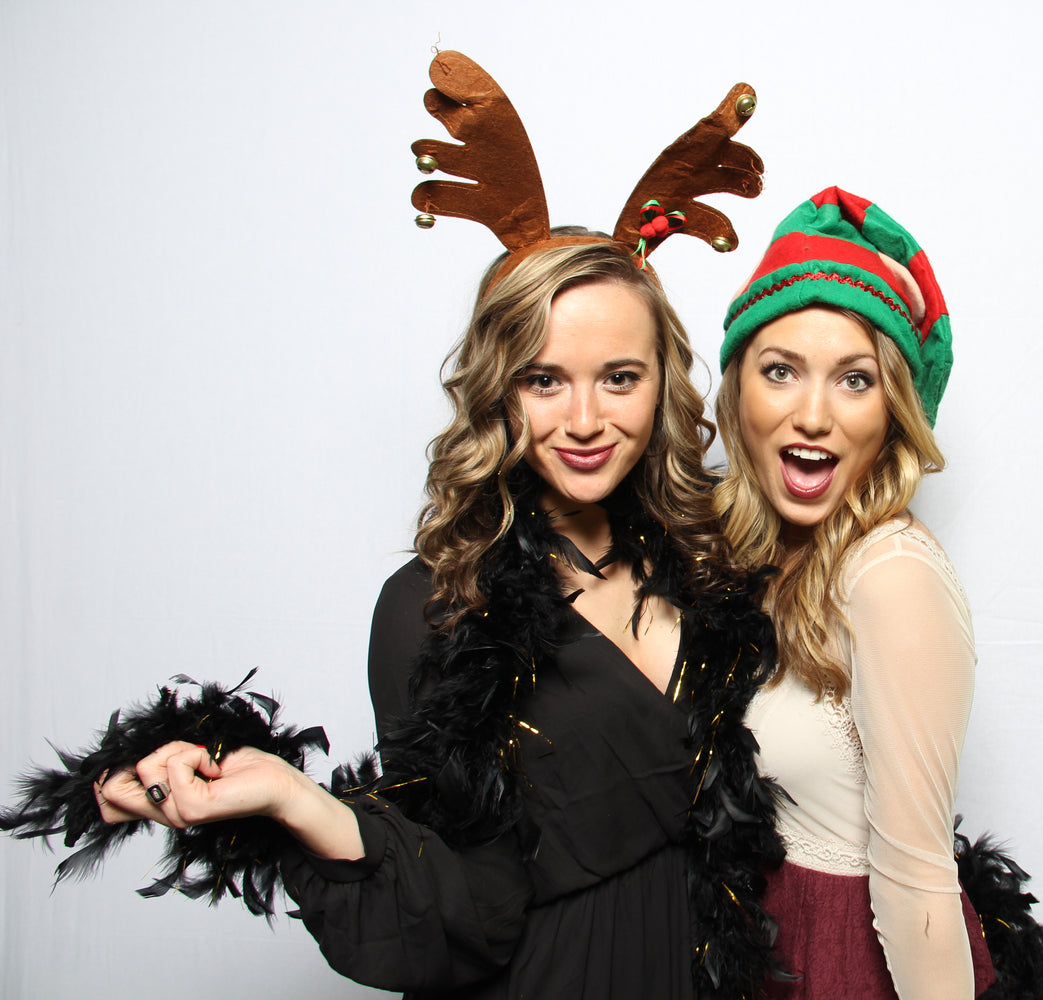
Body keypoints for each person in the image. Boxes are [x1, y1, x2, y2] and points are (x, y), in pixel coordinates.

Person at [4, 53, 781, 1000]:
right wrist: (291, 797)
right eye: (546, 380)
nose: (585, 419)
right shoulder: (434, 607)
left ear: (662, 384)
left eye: (620, 377)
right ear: (499, 390)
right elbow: (449, 888)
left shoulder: (712, 564)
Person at [713, 187, 1043, 1000]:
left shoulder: (889, 576)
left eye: (854, 380)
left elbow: (917, 887)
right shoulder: (766, 561)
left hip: (851, 964)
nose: (812, 414)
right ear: (740, 393)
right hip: (767, 946)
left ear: (894, 411)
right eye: (780, 372)